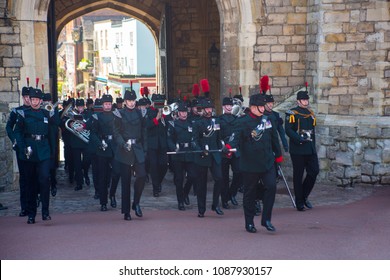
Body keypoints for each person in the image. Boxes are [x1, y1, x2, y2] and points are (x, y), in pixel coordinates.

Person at [229, 94, 282, 233]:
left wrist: (279, 155)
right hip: (250, 164)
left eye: (263, 106)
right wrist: (229, 147)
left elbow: (274, 138)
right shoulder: (242, 121)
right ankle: (249, 222)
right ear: (252, 107)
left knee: (271, 187)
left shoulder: (268, 119)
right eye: (260, 107)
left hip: (267, 161)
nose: (263, 109)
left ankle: (266, 219)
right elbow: (234, 137)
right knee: (249, 193)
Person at [13, 88, 57, 224]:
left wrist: (53, 153)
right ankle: (31, 214)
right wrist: (23, 147)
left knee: (44, 179)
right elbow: (18, 133)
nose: (35, 102)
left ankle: (45, 212)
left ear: (40, 101)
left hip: (44, 151)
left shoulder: (46, 114)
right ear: (30, 100)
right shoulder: (23, 114)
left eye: (37, 100)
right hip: (29, 151)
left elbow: (52, 132)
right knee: (31, 182)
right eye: (32, 100)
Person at [192, 80, 224, 218]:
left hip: (214, 154)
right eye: (207, 109)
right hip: (202, 156)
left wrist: (222, 147)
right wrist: (200, 150)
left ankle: (215, 204)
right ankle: (201, 208)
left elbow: (218, 138)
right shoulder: (198, 123)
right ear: (203, 110)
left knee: (219, 179)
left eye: (211, 108)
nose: (210, 111)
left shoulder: (216, 121)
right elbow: (195, 140)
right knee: (201, 184)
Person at [113, 89, 147, 220]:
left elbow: (144, 132)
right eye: (129, 101)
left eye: (133, 100)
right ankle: (126, 211)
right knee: (125, 181)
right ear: (125, 101)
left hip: (138, 147)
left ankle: (136, 202)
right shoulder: (119, 114)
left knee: (142, 176)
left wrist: (145, 149)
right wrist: (122, 143)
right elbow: (116, 132)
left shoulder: (141, 113)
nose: (131, 103)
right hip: (125, 149)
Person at [285, 90, 319, 211]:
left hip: (310, 148)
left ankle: (304, 196)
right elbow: (288, 130)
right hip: (298, 148)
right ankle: (299, 201)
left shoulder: (310, 113)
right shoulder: (292, 113)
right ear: (298, 101)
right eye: (303, 100)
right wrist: (299, 138)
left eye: (306, 100)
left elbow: (313, 132)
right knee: (298, 175)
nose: (306, 102)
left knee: (314, 171)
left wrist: (313, 147)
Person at [89, 94, 119, 211]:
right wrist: (99, 143)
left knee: (117, 173)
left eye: (109, 104)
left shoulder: (117, 116)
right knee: (103, 176)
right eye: (106, 104)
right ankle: (103, 202)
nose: (107, 106)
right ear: (102, 105)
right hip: (102, 147)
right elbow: (93, 133)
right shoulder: (97, 117)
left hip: (115, 147)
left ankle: (112, 194)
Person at [6, 83, 31, 217]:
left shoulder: (36, 111)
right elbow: (9, 127)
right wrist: (14, 139)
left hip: (35, 147)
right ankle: (24, 206)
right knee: (24, 178)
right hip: (21, 147)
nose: (27, 99)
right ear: (22, 97)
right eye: (25, 97)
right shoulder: (17, 111)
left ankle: (34, 200)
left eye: (29, 97)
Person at [167, 101, 197, 210]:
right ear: (178, 113)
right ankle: (180, 201)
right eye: (181, 112)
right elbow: (169, 139)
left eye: (185, 112)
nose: (183, 114)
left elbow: (195, 136)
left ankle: (185, 193)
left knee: (193, 176)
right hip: (178, 154)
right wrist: (174, 147)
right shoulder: (173, 124)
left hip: (189, 152)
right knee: (179, 179)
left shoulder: (192, 123)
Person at [145, 93, 168, 197]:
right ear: (153, 103)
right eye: (158, 103)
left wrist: (165, 116)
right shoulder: (148, 112)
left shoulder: (166, 112)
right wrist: (156, 119)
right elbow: (147, 126)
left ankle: (158, 182)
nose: (159, 105)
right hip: (152, 144)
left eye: (161, 103)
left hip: (162, 143)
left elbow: (169, 126)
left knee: (164, 165)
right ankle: (155, 188)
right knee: (153, 166)